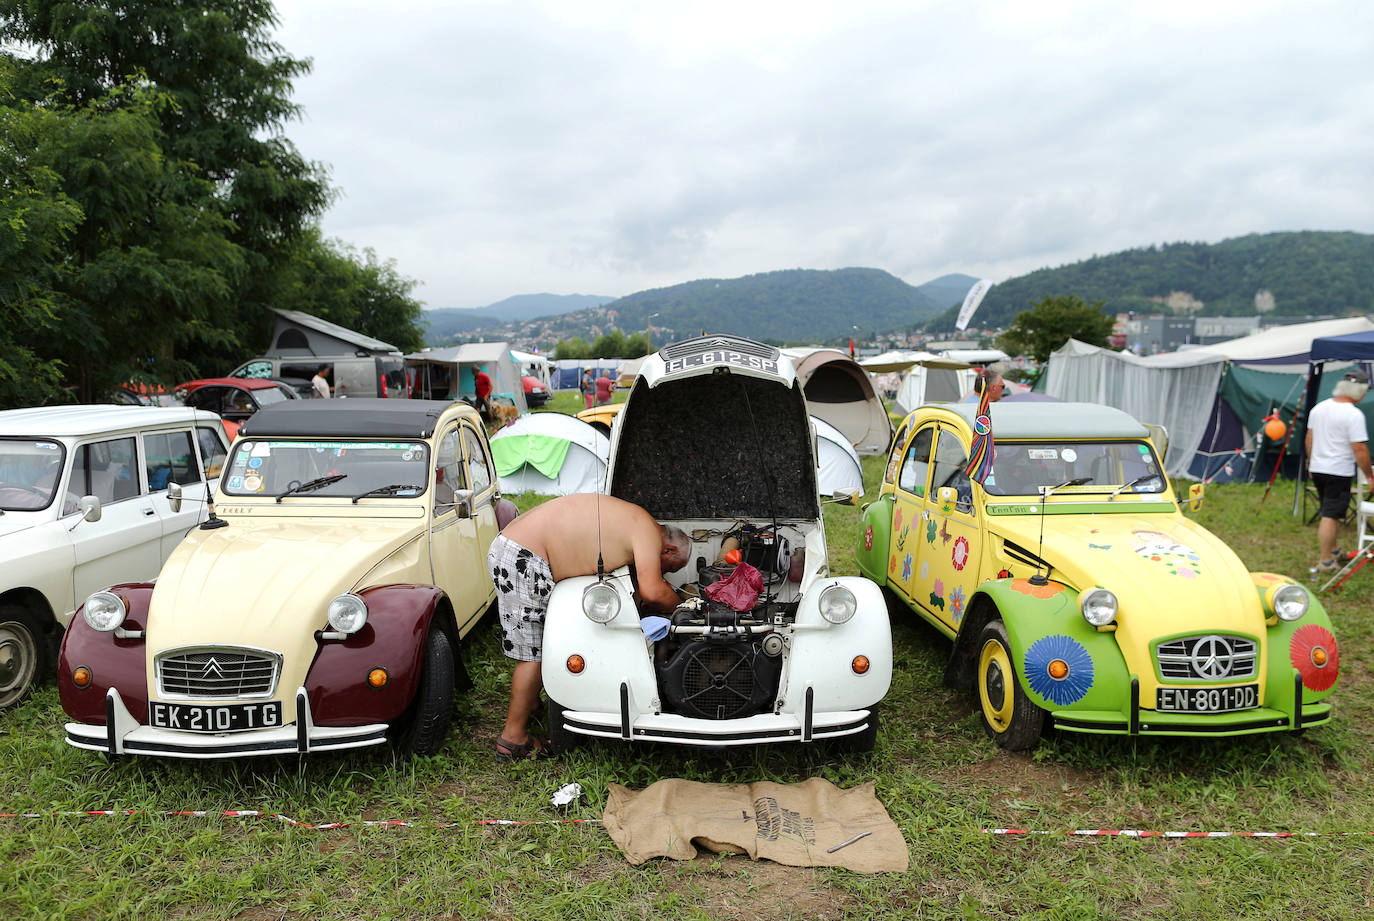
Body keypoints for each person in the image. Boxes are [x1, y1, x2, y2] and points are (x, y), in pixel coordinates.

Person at [487, 494, 691, 760]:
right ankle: (512, 739)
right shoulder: (648, 531)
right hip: (524, 555)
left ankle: (531, 703)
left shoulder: (633, 520)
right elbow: (653, 591)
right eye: (669, 568)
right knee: (534, 654)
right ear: (669, 550)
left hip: (517, 546)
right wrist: (683, 606)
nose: (665, 573)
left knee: (538, 644)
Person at [1305, 368, 1373, 574]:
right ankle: (1326, 561)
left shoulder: (1319, 408)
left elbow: (1309, 438)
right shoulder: (1353, 415)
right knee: (1331, 515)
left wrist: (1310, 462)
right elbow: (1359, 449)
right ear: (1359, 391)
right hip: (1338, 471)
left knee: (1329, 509)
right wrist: (1369, 475)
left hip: (1319, 468)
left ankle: (1334, 551)